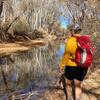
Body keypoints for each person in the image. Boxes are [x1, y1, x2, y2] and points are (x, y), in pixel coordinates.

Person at [59, 25, 88, 100]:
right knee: (78, 85)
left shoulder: (70, 40)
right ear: (79, 31)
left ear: (72, 31)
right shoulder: (85, 40)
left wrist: (61, 66)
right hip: (83, 66)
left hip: (71, 66)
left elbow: (66, 55)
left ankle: (68, 98)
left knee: (68, 84)